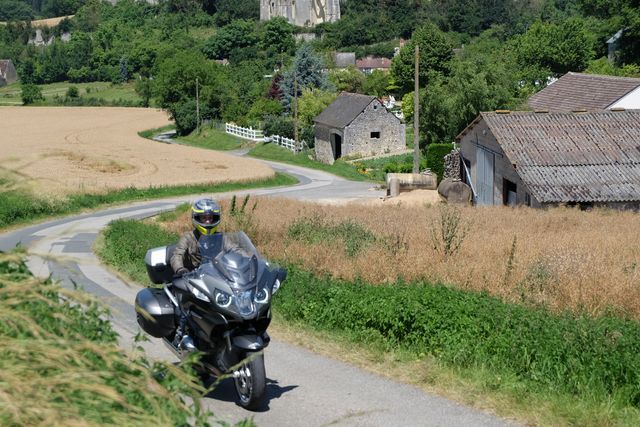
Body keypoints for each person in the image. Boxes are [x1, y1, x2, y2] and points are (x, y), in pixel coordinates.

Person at [169, 198, 222, 350]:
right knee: (186, 307)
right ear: (196, 218)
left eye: (210, 217)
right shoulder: (188, 237)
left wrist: (247, 261)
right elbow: (177, 255)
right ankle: (180, 334)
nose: (207, 220)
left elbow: (235, 251)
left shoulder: (221, 238)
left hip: (214, 279)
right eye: (204, 217)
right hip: (191, 279)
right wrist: (181, 270)